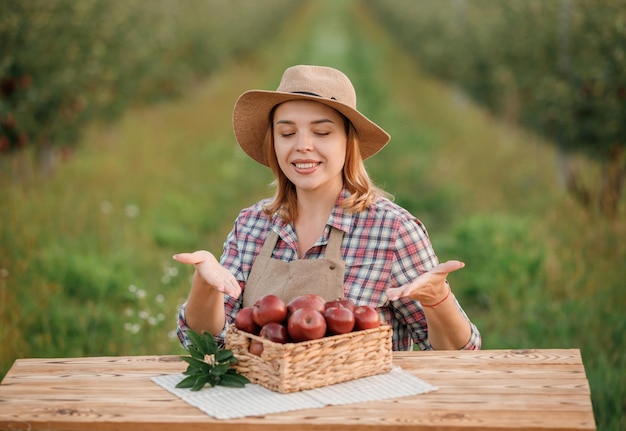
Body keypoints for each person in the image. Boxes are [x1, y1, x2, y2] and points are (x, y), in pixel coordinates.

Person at [174, 65, 481, 351]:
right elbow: (208, 345)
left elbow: (457, 355)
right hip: (261, 404)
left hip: (363, 407)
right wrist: (205, 285)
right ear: (274, 143)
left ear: (349, 143)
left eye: (322, 132)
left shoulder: (392, 230)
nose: (303, 145)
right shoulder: (252, 225)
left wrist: (437, 299)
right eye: (287, 133)